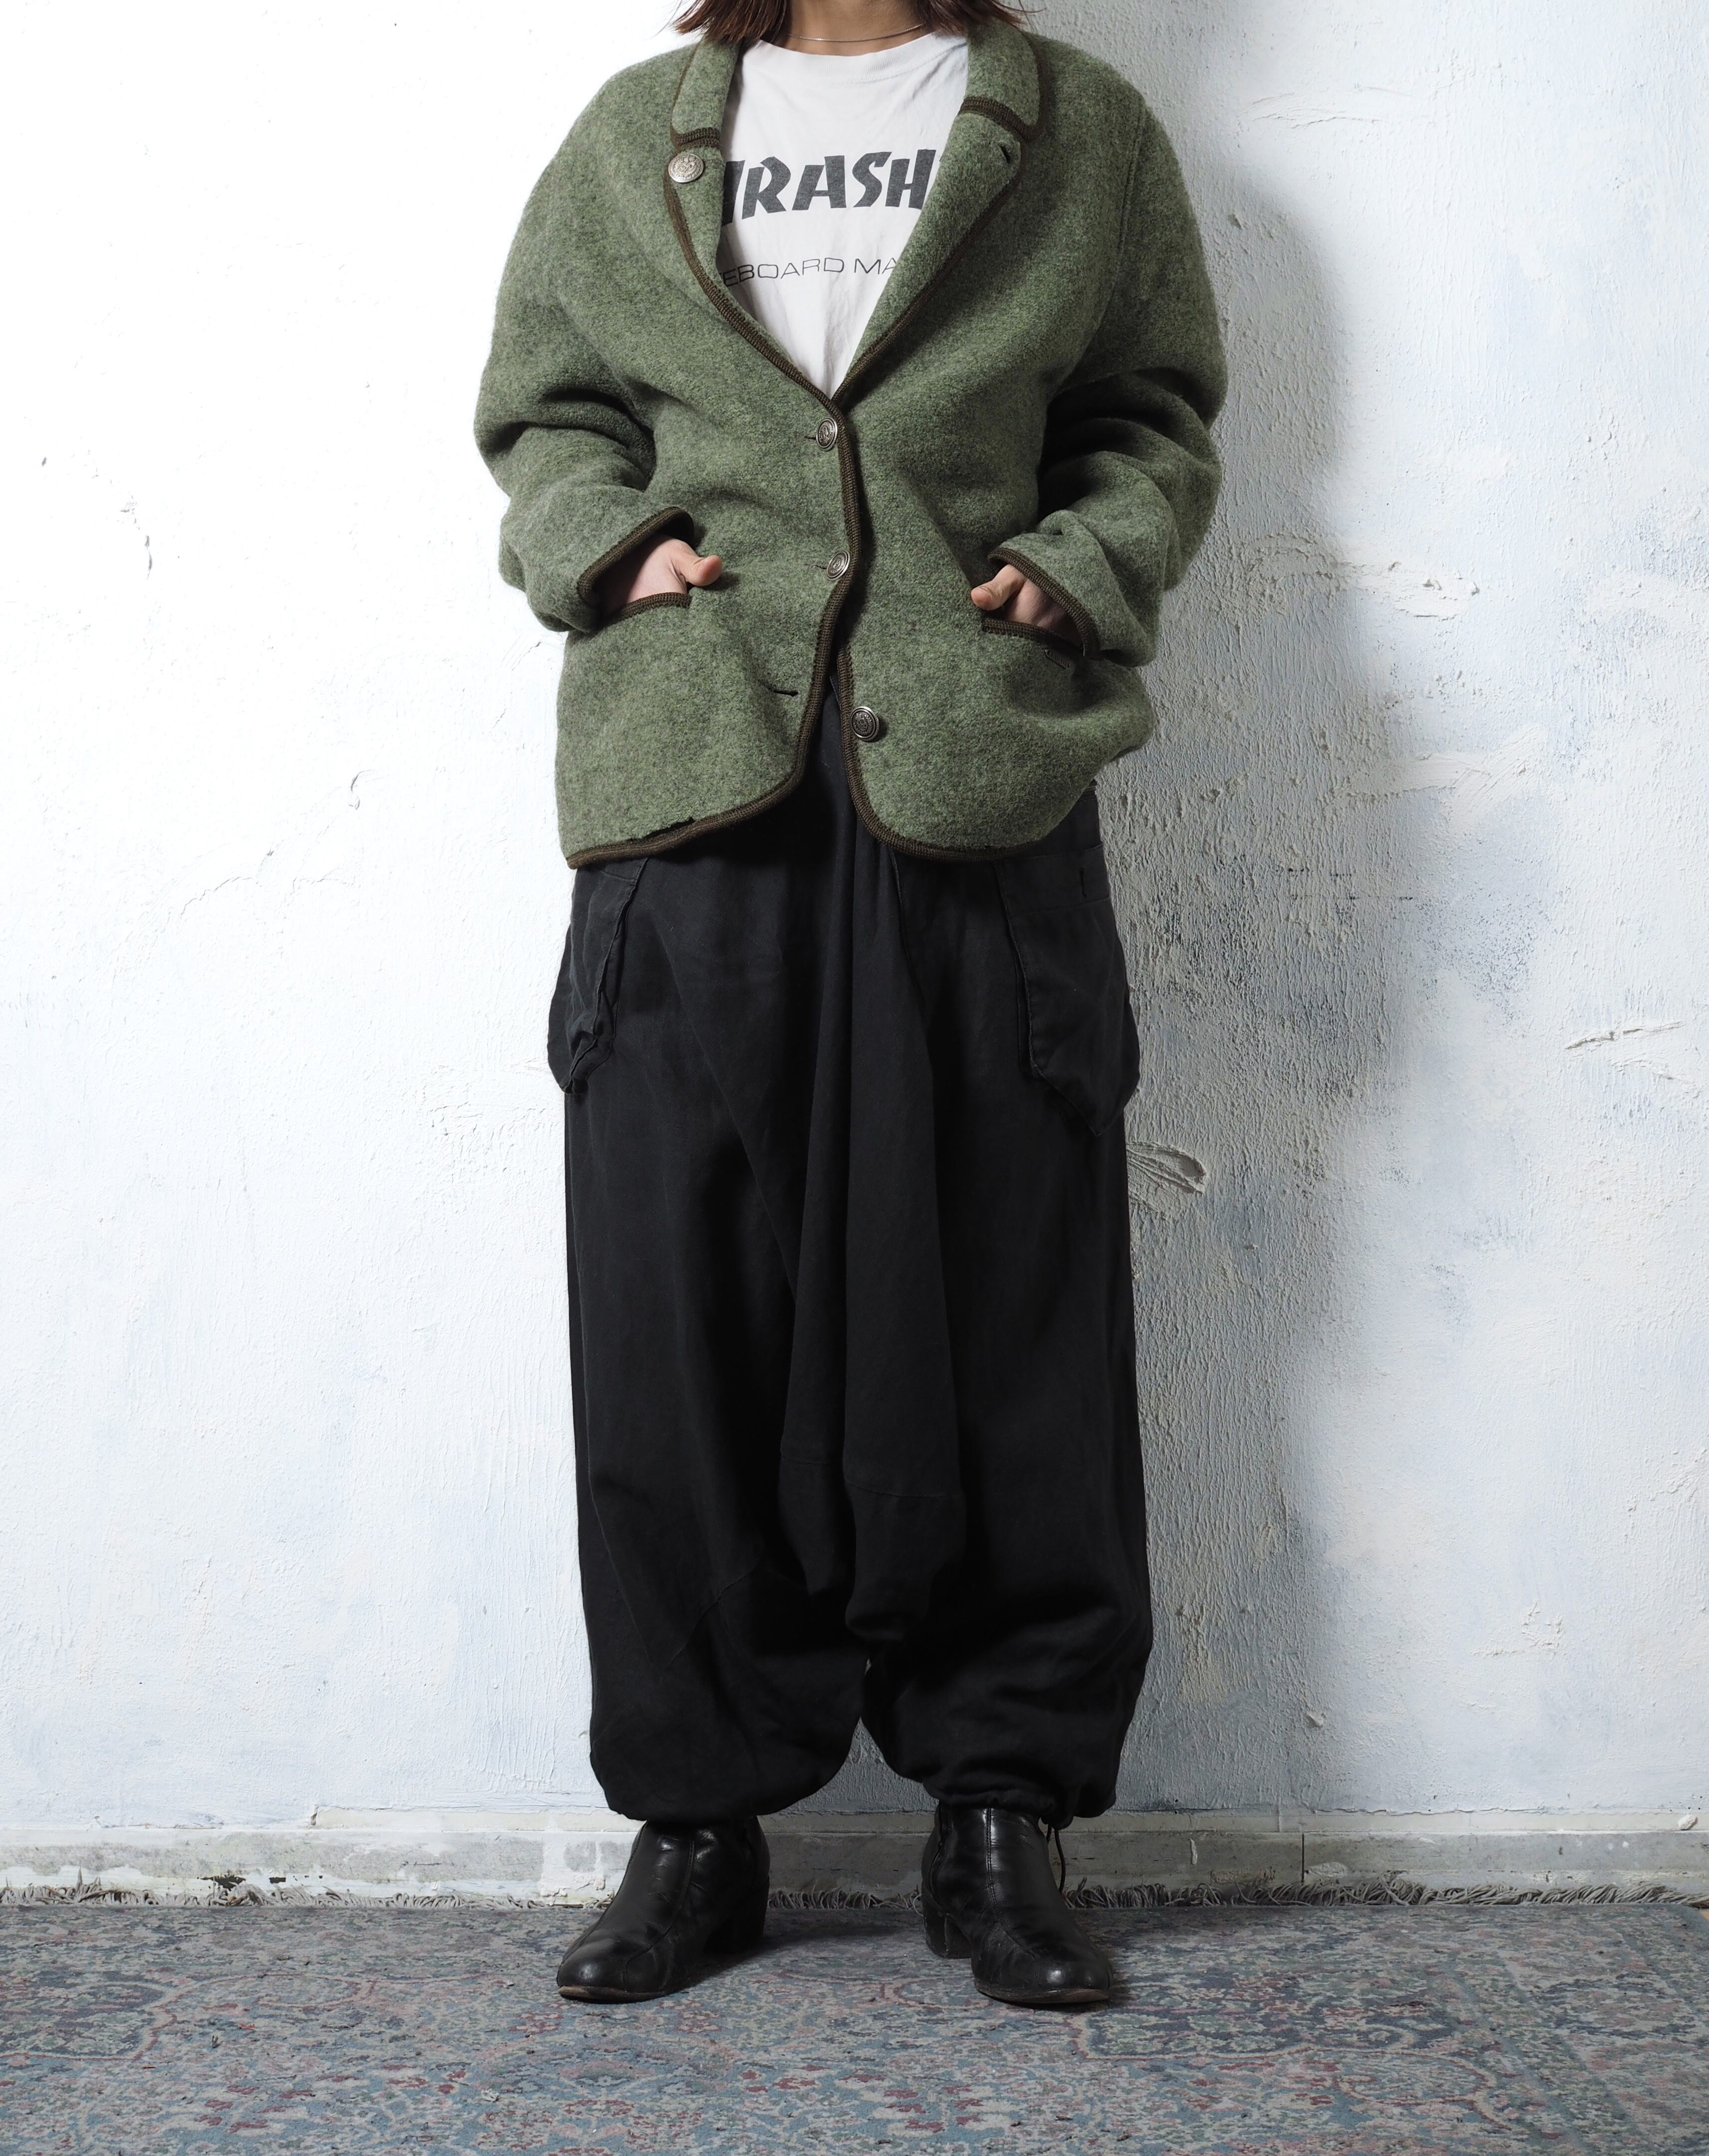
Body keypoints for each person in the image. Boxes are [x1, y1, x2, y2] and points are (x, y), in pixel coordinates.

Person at [474, 0, 1225, 2008]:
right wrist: (608, 546)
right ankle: (697, 1824)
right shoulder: (636, 131)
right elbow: (548, 410)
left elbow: (1150, 413)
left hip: (974, 775)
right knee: (679, 1305)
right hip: (691, 780)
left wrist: (1084, 561)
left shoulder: (1080, 133)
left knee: (1016, 1297)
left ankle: (1005, 1820)